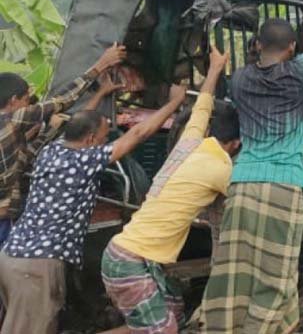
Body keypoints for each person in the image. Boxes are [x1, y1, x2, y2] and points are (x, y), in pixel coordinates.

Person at [0, 80, 185, 334]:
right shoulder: (84, 160)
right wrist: (174, 102)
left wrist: (101, 94)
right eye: (102, 138)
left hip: (13, 257)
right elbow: (138, 134)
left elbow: (78, 120)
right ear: (89, 140)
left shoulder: (51, 150)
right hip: (36, 266)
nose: (104, 141)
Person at [200, 0, 303, 332]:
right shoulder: (300, 71)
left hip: (243, 183)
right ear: (291, 48)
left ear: (257, 45)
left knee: (237, 270)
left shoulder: (240, 79)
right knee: (278, 272)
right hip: (284, 185)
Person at [100, 49, 237, 333]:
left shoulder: (190, 144)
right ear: (235, 144)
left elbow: (202, 106)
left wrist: (214, 69)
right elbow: (242, 199)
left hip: (129, 255)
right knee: (164, 330)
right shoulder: (220, 168)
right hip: (131, 263)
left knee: (172, 310)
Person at [0, 44, 125, 247]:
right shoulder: (14, 119)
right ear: (14, 100)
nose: (28, 105)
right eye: (26, 100)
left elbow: (22, 161)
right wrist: (101, 65)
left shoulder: (9, 135)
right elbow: (63, 100)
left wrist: (47, 132)